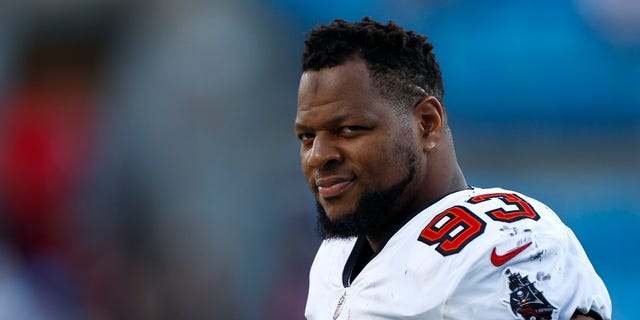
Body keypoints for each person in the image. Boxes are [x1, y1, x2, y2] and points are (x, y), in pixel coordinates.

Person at [294, 17, 611, 320]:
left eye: (349, 130)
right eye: (307, 137)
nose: (318, 156)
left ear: (426, 124)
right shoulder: (334, 257)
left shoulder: (504, 245)